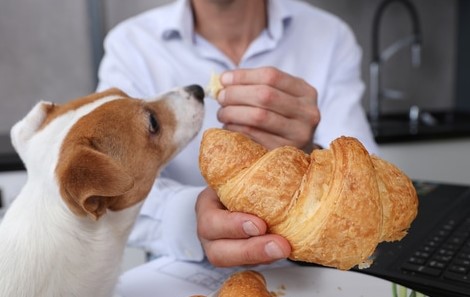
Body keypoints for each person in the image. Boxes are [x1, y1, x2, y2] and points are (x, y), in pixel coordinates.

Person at [97, 0, 379, 268]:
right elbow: (108, 188)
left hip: (311, 276)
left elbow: (368, 195)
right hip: (176, 277)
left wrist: (308, 156)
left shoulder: (329, 37)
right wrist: (191, 216)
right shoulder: (131, 46)